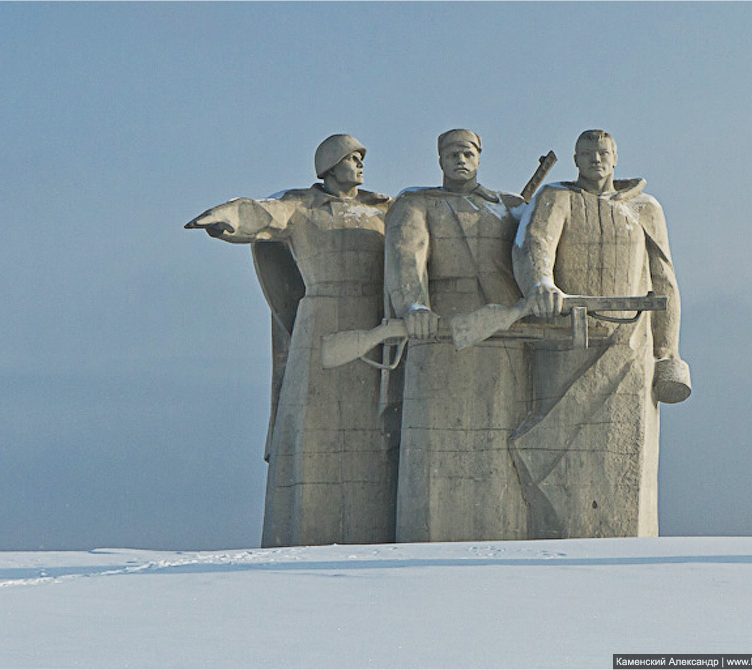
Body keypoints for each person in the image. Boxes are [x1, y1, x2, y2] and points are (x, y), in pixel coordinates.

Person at [185, 134, 399, 547]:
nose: (359, 164)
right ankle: (305, 527)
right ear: (329, 166)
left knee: (373, 429)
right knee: (310, 426)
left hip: (373, 324)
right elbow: (262, 214)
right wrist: (226, 216)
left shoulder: (383, 210)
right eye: (351, 158)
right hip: (318, 320)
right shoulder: (301, 207)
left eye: (361, 158)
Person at [511, 129, 691, 538]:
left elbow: (665, 280)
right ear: (576, 159)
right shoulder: (556, 198)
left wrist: (668, 351)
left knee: (624, 455)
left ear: (615, 158)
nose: (596, 159)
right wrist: (540, 285)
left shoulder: (644, 209)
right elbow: (534, 246)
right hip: (567, 341)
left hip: (630, 350)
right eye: (588, 153)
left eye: (603, 152)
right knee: (552, 453)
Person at [384, 129, 530, 542]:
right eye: (451, 154)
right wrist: (414, 306)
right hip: (441, 330)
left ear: (479, 157)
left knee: (500, 440)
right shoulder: (417, 204)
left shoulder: (510, 206)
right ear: (439, 160)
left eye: (466, 153)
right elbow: (405, 257)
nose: (459, 160)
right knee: (435, 445)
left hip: (503, 331)